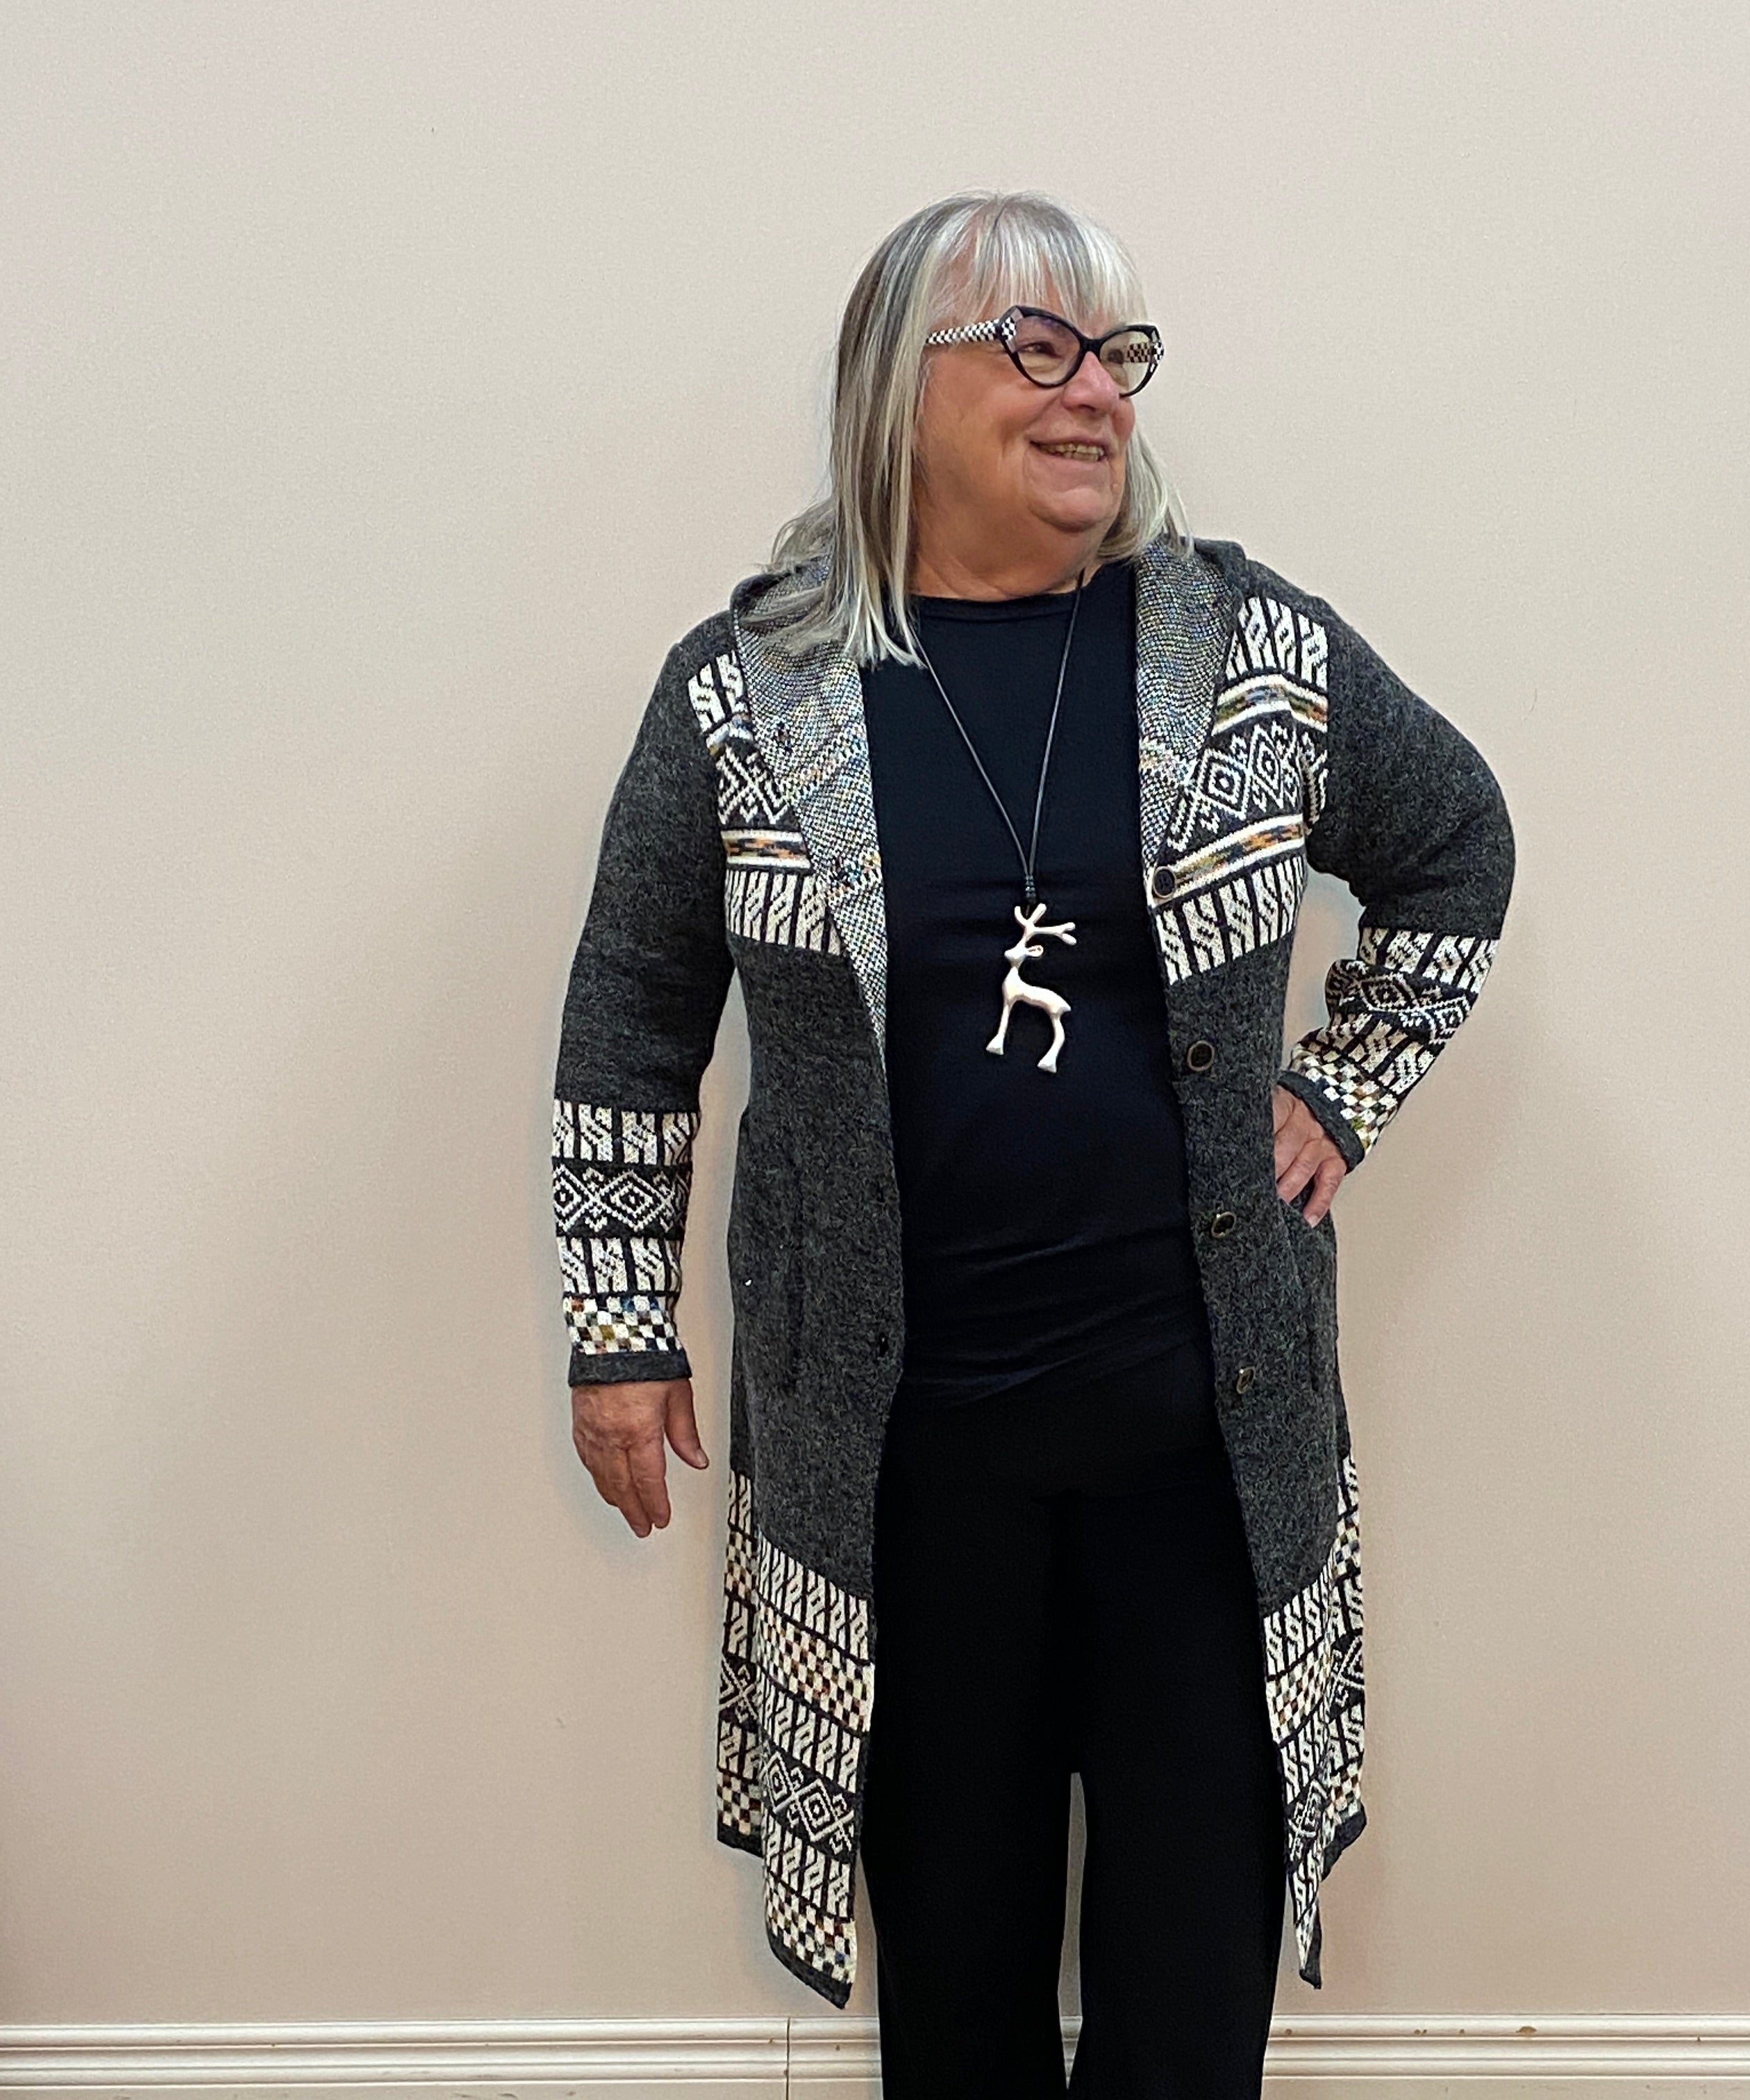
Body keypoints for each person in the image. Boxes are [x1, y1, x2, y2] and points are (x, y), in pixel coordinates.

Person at [553, 189, 1513, 2099]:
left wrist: (1343, 1086)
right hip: (907, 1474)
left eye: (1123, 358)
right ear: (895, 389)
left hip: (1199, 1458)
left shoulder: (1249, 653)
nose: (1098, 400)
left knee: (1186, 2010)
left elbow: (1456, 845)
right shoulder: (750, 693)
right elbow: (635, 1012)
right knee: (963, 2001)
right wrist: (618, 1328)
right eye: (1042, 351)